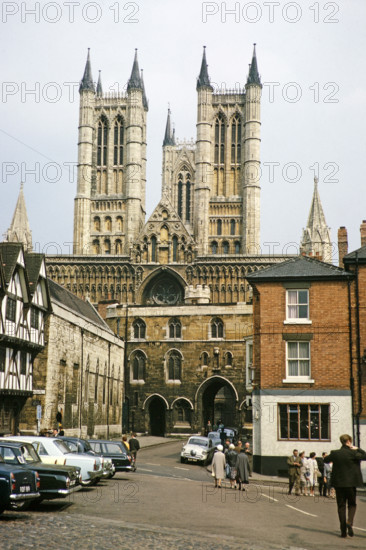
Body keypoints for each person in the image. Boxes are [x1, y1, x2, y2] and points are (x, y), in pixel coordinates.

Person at [324, 434, 366, 538]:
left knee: (341, 506)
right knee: (352, 504)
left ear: (341, 441)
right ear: (349, 441)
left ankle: (343, 531)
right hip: (351, 484)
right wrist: (358, 448)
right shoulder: (354, 453)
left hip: (339, 484)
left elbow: (325, 460)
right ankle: (349, 522)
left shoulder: (335, 453)